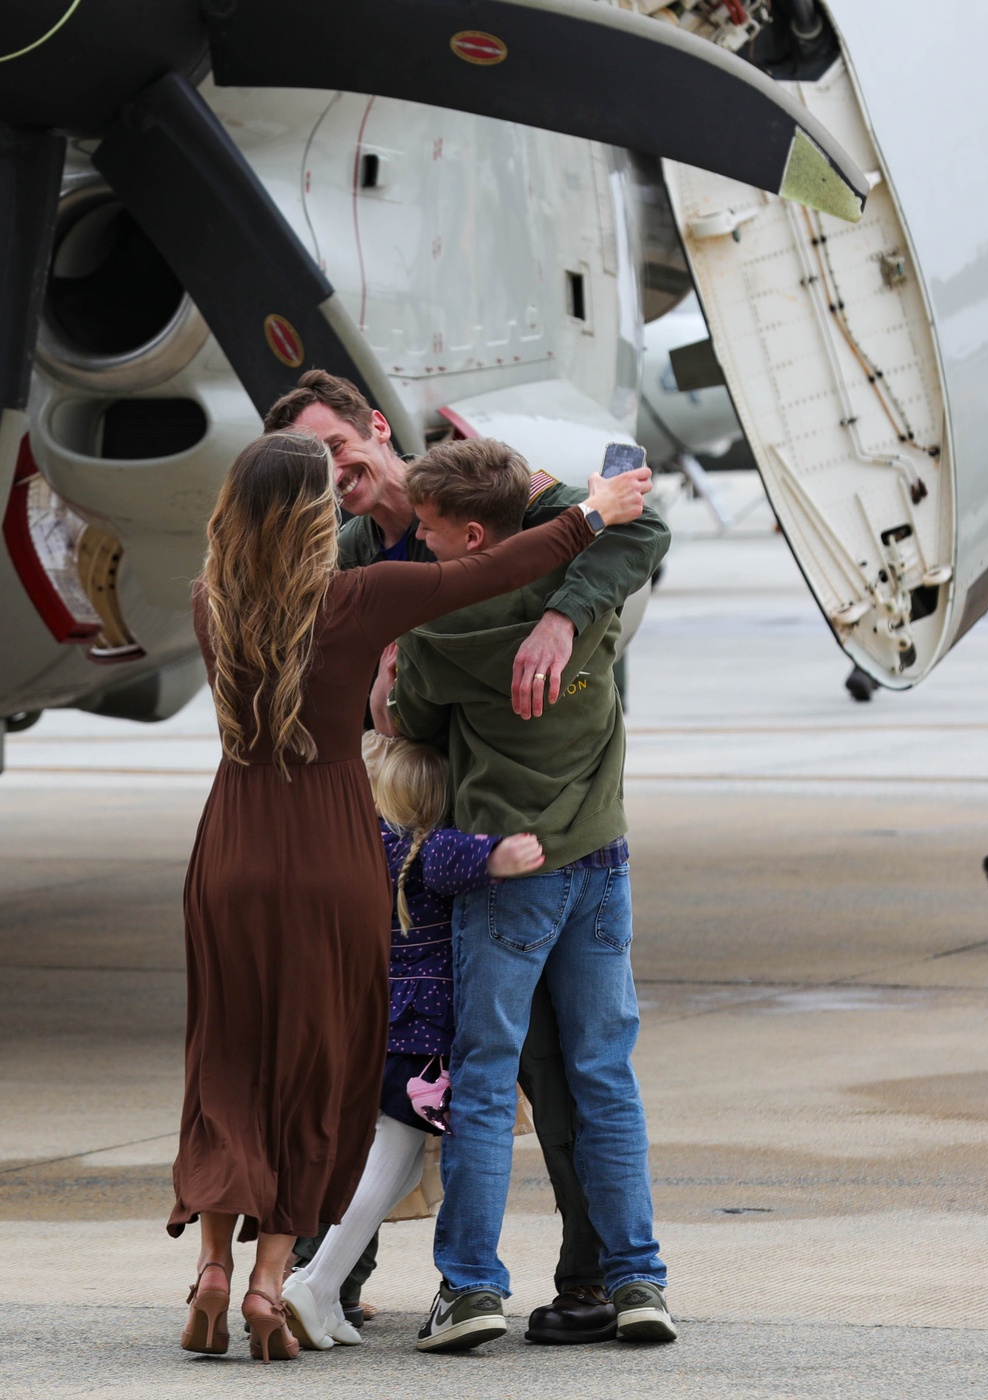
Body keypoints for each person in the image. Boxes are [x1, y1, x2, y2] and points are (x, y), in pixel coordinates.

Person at [167, 428, 648, 1364]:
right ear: (313, 517)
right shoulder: (357, 598)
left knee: (227, 1055)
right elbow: (492, 569)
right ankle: (273, 1282)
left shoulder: (208, 602)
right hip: (330, 847)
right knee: (319, 1064)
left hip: (230, 846)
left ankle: (214, 1269)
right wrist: (593, 512)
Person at [373, 438, 676, 1352]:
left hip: (508, 876)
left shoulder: (437, 630)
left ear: (473, 537)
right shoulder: (587, 598)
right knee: (605, 1076)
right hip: (602, 867)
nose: (421, 545)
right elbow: (639, 529)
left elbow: (410, 724)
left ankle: (470, 1287)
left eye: (430, 531)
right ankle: (637, 1279)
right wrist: (566, 589)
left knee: (483, 1080)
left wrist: (390, 682)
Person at [282, 733, 545, 1349]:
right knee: (394, 1163)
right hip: (418, 1040)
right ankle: (314, 1284)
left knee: (389, 1170)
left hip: (372, 1029)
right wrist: (503, 851)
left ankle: (325, 1290)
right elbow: (459, 856)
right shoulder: (425, 846)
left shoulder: (365, 844)